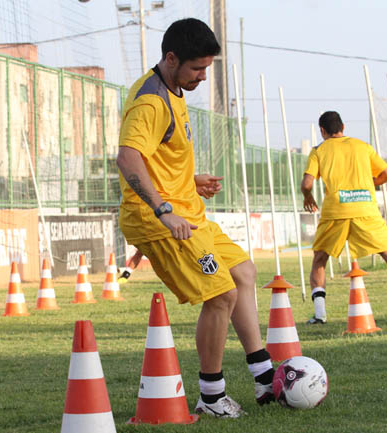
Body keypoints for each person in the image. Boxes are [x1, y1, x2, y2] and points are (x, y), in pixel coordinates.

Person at [116, 18, 273, 419]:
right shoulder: (151, 101)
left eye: (207, 69)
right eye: (197, 69)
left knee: (244, 272)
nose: (203, 77)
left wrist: (190, 180)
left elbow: (158, 156)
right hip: (158, 219)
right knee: (221, 295)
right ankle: (212, 395)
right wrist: (164, 209)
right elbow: (128, 157)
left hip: (189, 210)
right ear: (171, 59)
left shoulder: (172, 87)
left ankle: (264, 376)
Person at [300, 111, 387, 325]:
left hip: (336, 210)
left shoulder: (318, 150)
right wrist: (368, 184)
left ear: (322, 131)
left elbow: (306, 184)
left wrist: (308, 196)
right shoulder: (362, 146)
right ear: (343, 127)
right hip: (365, 207)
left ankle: (320, 315)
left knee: (320, 259)